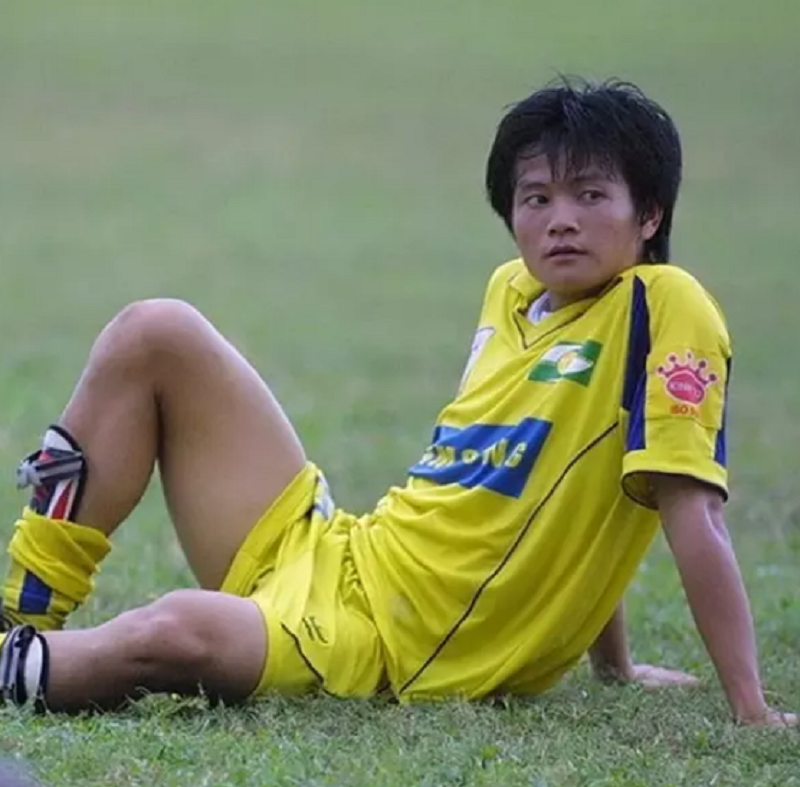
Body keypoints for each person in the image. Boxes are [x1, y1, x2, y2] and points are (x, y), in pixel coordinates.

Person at [0, 77, 794, 727]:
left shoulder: (666, 304)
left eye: (590, 195)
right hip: (345, 554)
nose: (560, 221)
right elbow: (548, 482)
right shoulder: (512, 292)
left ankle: (20, 667)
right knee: (156, 330)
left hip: (384, 643)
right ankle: (18, 614)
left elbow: (688, 507)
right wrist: (612, 662)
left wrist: (751, 708)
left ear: (649, 214)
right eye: (536, 198)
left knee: (182, 626)